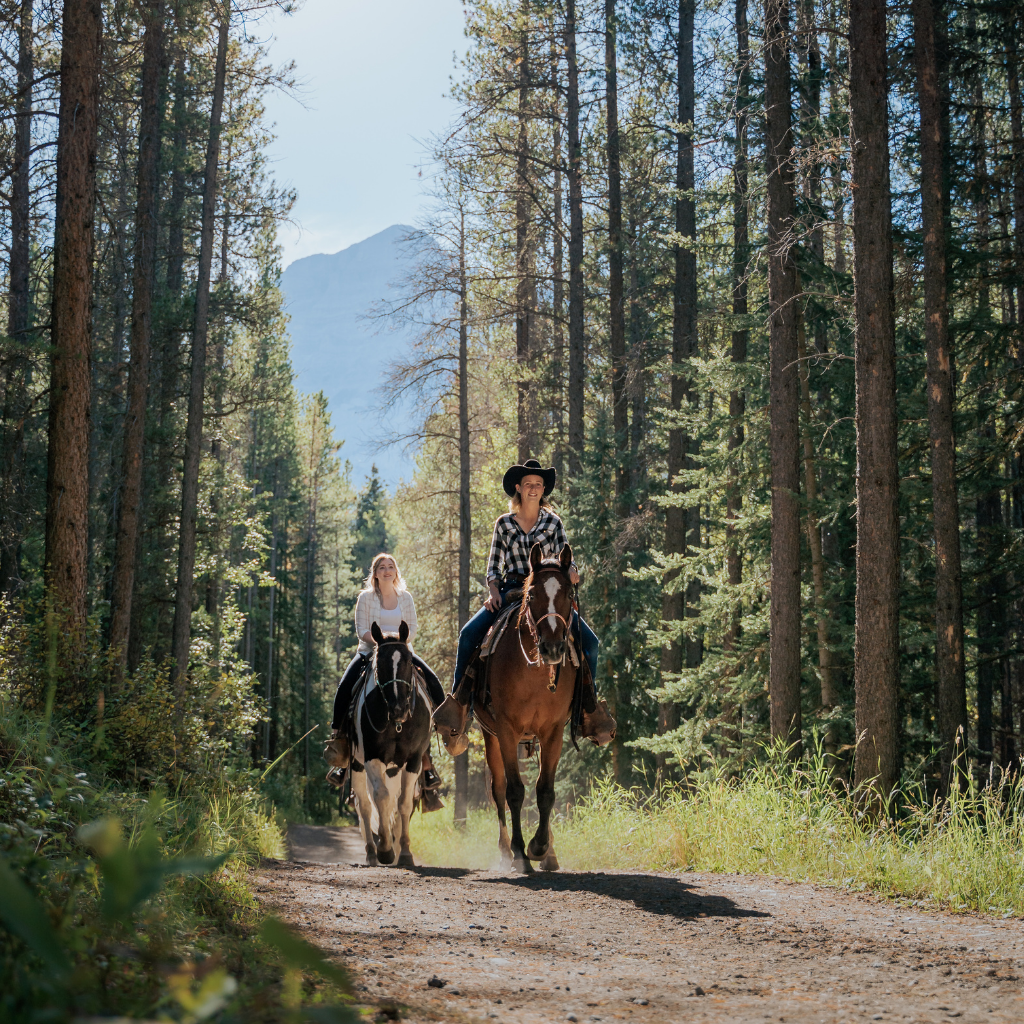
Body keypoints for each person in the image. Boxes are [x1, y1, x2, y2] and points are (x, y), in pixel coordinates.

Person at [449, 458, 604, 735]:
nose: (533, 489)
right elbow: (493, 567)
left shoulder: (553, 523)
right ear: (519, 488)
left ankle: (587, 710)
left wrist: (574, 572)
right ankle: (459, 708)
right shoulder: (504, 524)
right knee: (468, 635)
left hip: (548, 593)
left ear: (543, 490)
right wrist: (494, 591)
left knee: (591, 643)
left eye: (538, 484)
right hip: (511, 592)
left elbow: (567, 560)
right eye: (529, 484)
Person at [330, 553, 444, 788]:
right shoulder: (365, 598)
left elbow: (411, 629)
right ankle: (339, 746)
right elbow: (362, 630)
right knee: (344, 689)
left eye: (390, 566)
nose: (386, 570)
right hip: (370, 652)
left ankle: (436, 746)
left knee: (433, 683)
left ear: (396, 571)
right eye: (382, 567)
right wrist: (382, 642)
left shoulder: (406, 598)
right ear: (375, 573)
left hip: (402, 653)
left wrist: (396, 643)